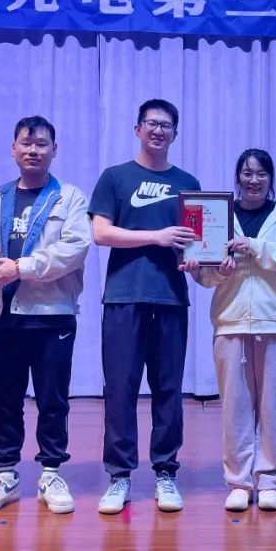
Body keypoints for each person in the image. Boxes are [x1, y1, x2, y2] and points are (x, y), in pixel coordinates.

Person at [0, 116, 91, 515]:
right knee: (3, 400)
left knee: (52, 400)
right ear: (13, 149)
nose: (33, 150)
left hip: (51, 314)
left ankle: (51, 472)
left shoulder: (70, 198)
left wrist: (19, 268)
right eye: (26, 143)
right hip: (0, 314)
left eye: (42, 144)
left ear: (55, 150)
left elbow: (74, 250)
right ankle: (5, 473)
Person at [89, 99, 201, 514]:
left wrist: (201, 258)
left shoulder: (188, 182)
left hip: (170, 297)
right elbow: (101, 233)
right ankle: (119, 476)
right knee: (120, 389)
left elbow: (198, 241)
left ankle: (166, 472)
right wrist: (156, 237)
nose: (158, 130)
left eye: (166, 125)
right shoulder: (115, 177)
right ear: (137, 129)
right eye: (151, 123)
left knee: (169, 390)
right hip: (124, 297)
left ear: (175, 134)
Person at [190, 149, 276, 512]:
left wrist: (256, 247)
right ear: (238, 177)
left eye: (261, 174)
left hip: (275, 322)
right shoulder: (218, 214)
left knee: (272, 405)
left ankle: (270, 480)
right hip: (230, 321)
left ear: (270, 179)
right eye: (247, 173)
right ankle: (239, 482)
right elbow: (205, 275)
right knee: (235, 408)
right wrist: (216, 271)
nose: (254, 180)